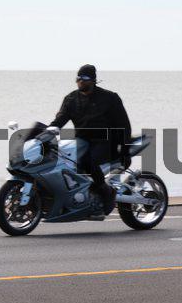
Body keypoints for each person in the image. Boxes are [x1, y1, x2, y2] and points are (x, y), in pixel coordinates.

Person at [49, 64, 132, 215]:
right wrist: (47, 132)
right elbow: (60, 119)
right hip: (83, 139)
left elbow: (124, 124)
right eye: (78, 78)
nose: (81, 81)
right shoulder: (71, 99)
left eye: (85, 78)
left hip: (106, 140)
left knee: (89, 162)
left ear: (93, 80)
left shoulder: (109, 98)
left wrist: (125, 149)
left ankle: (107, 192)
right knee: (64, 160)